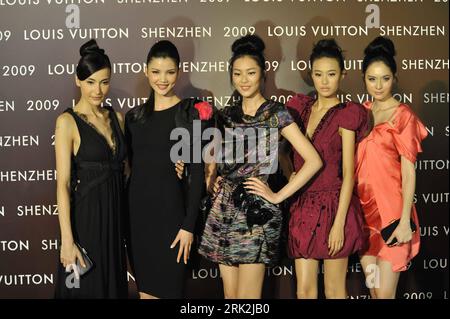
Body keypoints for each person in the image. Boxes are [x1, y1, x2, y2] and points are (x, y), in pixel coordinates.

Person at [197, 35, 323, 299]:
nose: (244, 80)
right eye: (238, 73)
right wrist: (213, 182)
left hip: (256, 215)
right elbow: (214, 162)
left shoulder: (276, 113)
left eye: (251, 73)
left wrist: (277, 195)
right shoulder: (226, 116)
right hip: (223, 213)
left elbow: (313, 161)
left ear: (263, 74)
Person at [125, 40, 213, 299]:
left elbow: (198, 173)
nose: (162, 79)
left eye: (170, 72)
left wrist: (188, 226)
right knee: (146, 295)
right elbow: (134, 170)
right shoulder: (134, 118)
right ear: (146, 71)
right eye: (156, 71)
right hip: (138, 221)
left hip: (174, 220)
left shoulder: (190, 114)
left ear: (179, 71)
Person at [284, 39, 368, 299]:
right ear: (310, 74)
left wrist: (339, 223)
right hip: (303, 207)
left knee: (334, 290)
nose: (324, 81)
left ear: (342, 74)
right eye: (318, 74)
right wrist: (290, 176)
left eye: (331, 74)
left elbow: (348, 173)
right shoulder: (299, 109)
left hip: (334, 206)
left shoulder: (347, 114)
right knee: (304, 290)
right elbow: (282, 153)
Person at [54, 39, 128, 298]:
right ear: (78, 80)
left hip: (114, 221)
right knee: (84, 291)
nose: (98, 90)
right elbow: (62, 184)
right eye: (90, 82)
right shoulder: (67, 122)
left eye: (104, 82)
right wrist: (67, 240)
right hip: (85, 222)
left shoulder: (117, 118)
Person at [356, 36, 428, 299]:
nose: (378, 85)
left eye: (385, 78)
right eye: (372, 78)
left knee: (385, 294)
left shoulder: (403, 116)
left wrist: (404, 222)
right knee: (375, 291)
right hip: (364, 218)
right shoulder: (359, 114)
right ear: (363, 78)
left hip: (392, 217)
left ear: (394, 78)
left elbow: (409, 172)